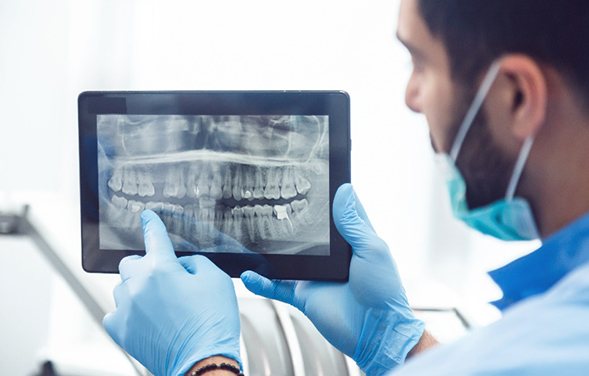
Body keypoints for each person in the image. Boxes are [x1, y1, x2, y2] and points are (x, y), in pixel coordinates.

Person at [102, 0, 589, 375]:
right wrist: (400, 346)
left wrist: (202, 364)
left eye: (419, 64)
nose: (410, 97)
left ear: (518, 96)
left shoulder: (541, 347)